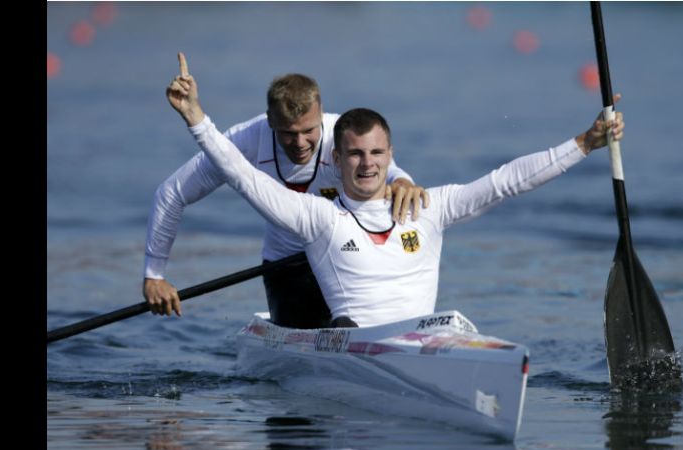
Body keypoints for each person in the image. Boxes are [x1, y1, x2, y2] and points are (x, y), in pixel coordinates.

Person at [166, 52, 624, 328]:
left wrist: (584, 143)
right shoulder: (318, 217)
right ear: (336, 159)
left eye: (376, 154)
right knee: (335, 325)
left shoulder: (428, 205)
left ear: (390, 154)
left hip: (420, 340)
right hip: (351, 345)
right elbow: (242, 176)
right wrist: (197, 120)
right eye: (355, 156)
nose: (367, 165)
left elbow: (506, 182)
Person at [144, 66, 428, 328]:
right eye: (289, 134)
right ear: (270, 121)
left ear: (321, 115)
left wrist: (404, 181)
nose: (301, 143)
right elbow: (171, 194)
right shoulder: (246, 140)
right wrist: (154, 275)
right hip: (287, 267)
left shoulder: (342, 133)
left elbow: (386, 167)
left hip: (346, 256)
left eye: (309, 130)